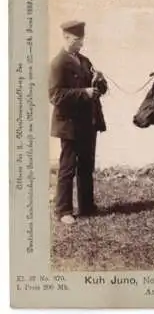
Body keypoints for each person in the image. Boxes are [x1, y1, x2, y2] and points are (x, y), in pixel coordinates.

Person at [49, 20, 108, 224]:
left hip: (88, 123)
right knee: (67, 168)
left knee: (86, 166)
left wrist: (99, 81)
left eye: (82, 39)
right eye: (77, 39)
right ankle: (63, 211)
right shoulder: (58, 63)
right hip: (69, 125)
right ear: (66, 37)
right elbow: (55, 96)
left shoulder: (85, 61)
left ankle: (87, 207)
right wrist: (84, 93)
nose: (81, 43)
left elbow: (100, 91)